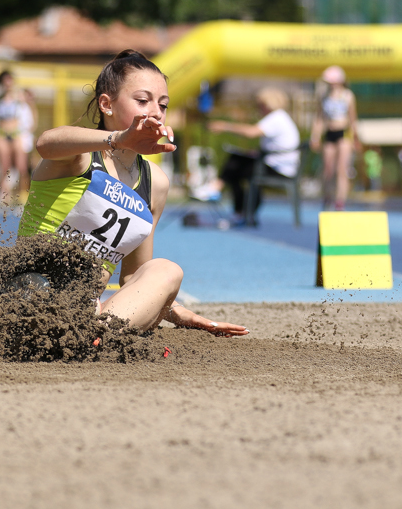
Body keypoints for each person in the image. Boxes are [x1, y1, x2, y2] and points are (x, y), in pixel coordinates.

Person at [18, 50, 248, 337]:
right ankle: (73, 335)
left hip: (85, 313)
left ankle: (93, 337)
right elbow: (45, 143)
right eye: (142, 100)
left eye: (163, 105)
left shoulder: (155, 183)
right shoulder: (79, 155)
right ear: (106, 104)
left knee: (166, 270)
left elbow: (133, 277)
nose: (156, 112)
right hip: (31, 293)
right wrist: (119, 139)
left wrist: (181, 313)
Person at [197, 87, 300, 225]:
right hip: (275, 165)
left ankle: (218, 190)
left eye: (260, 105)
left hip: (280, 170)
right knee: (239, 166)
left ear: (268, 104)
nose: (258, 109)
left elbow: (251, 132)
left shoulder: (276, 117)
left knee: (236, 164)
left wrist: (224, 126)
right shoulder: (280, 117)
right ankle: (243, 212)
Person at [310, 65, 360, 210]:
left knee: (342, 169)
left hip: (343, 133)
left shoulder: (348, 96)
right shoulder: (324, 97)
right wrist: (315, 136)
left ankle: (340, 201)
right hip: (329, 134)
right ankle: (327, 197)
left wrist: (355, 138)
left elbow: (352, 119)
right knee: (328, 169)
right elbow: (319, 118)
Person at [0, 70, 33, 203]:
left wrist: (27, 130)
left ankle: (23, 195)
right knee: (5, 166)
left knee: (21, 166)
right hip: (1, 133)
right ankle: (3, 195)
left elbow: (31, 112)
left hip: (16, 133)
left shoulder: (18, 98)